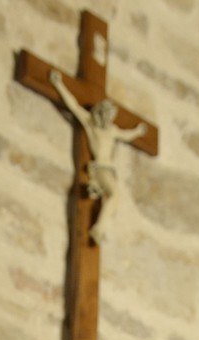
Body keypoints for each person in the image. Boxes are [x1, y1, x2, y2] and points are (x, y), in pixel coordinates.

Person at [49, 69, 148, 246]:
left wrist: (139, 131)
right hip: (99, 168)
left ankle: (98, 216)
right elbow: (73, 105)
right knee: (115, 194)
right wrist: (59, 84)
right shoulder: (90, 123)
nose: (107, 118)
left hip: (108, 170)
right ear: (100, 111)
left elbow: (126, 135)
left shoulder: (112, 130)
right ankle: (99, 228)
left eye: (110, 116)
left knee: (115, 195)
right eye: (105, 113)